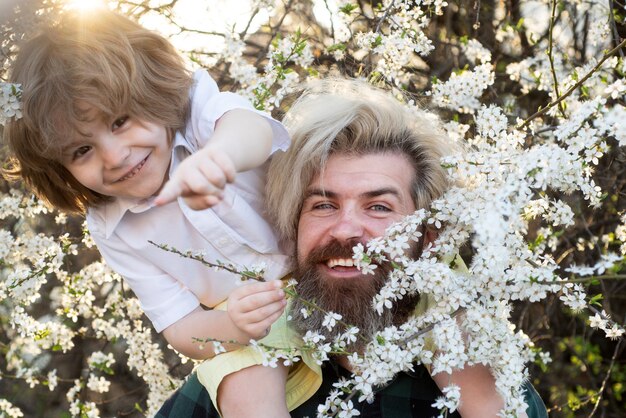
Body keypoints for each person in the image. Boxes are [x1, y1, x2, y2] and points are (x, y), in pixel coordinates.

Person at [156, 79, 548, 417]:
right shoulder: (242, 382)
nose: (346, 229)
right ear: (291, 231)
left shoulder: (477, 377)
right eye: (323, 205)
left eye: (379, 207)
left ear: (430, 236)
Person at [1, 10, 316, 418]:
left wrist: (221, 156)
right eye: (81, 150)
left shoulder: (197, 110)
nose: (115, 157)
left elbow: (249, 130)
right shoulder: (111, 228)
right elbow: (181, 327)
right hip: (242, 319)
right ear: (59, 170)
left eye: (120, 121)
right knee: (244, 394)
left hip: (323, 259)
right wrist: (234, 328)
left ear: (153, 93)